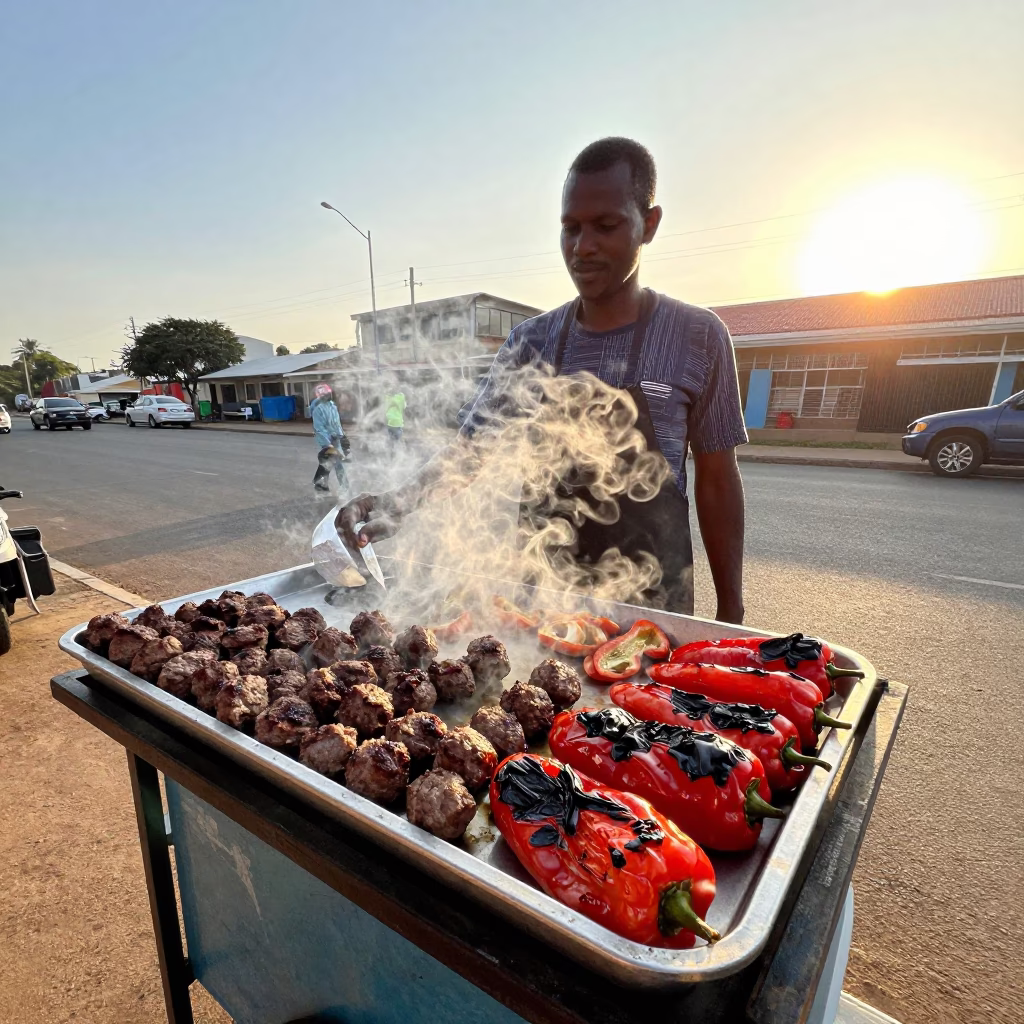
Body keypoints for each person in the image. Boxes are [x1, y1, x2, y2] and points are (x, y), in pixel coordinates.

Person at [337, 137, 748, 622]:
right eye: (570, 228)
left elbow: (717, 481)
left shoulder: (697, 335)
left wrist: (730, 611)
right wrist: (393, 504)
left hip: (653, 606)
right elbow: (472, 452)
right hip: (539, 601)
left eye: (606, 225)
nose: (583, 247)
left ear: (649, 225)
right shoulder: (529, 342)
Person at [311, 383, 350, 494]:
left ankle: (319, 482)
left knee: (329, 461)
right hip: (327, 440)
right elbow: (319, 429)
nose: (329, 395)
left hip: (336, 438)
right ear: (321, 396)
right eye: (326, 394)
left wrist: (343, 436)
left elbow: (337, 424)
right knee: (337, 462)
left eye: (329, 393)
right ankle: (345, 487)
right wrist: (328, 444)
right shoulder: (318, 410)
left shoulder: (333, 406)